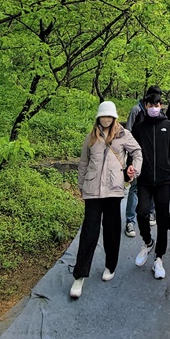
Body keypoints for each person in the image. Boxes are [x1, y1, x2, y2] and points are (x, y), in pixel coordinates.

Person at [71, 101, 142, 299]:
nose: (106, 120)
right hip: (93, 190)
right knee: (89, 232)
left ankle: (110, 265)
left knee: (111, 230)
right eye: (103, 116)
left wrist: (133, 169)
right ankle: (79, 275)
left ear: (114, 118)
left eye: (109, 117)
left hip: (113, 189)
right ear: (98, 117)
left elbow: (137, 152)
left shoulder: (123, 135)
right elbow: (83, 163)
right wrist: (81, 185)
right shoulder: (91, 138)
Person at [131, 85, 170, 280]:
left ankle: (159, 257)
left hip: (163, 179)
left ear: (161, 105)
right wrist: (129, 170)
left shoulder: (168, 126)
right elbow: (132, 152)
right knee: (141, 212)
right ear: (145, 105)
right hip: (145, 179)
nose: (154, 107)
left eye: (157, 104)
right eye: (151, 104)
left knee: (163, 219)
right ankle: (147, 242)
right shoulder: (139, 128)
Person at [123, 94, 146, 238]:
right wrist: (130, 158)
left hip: (151, 159)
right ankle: (130, 221)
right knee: (135, 188)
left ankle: (150, 214)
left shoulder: (160, 116)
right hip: (135, 156)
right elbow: (128, 133)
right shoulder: (136, 110)